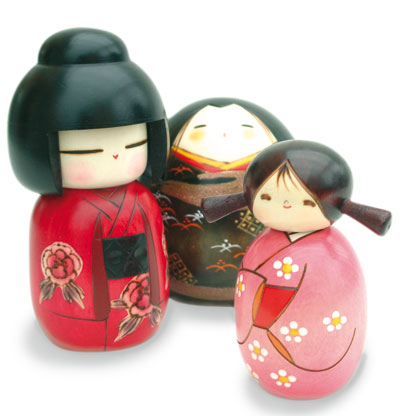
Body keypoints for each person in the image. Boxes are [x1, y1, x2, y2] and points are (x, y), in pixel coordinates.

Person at [8, 28, 169, 351]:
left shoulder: (143, 199)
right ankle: (73, 325)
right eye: (88, 150)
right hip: (85, 308)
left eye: (131, 145)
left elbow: (157, 255)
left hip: (140, 300)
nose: (114, 155)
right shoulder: (55, 210)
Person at [201, 140, 391, 399]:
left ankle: (326, 373)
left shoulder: (334, 252)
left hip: (321, 345)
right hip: (265, 340)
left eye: (305, 201)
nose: (286, 205)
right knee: (266, 340)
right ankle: (270, 369)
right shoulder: (261, 246)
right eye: (268, 197)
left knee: (320, 344)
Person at [155, 98, 293, 304]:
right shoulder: (175, 159)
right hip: (180, 275)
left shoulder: (270, 161)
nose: (224, 135)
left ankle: (254, 285)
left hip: (257, 280)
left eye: (247, 128)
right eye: (200, 128)